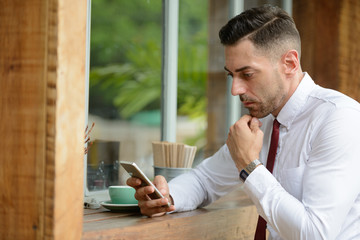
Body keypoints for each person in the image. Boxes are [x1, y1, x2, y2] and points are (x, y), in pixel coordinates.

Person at [127, 5, 360, 240]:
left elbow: (317, 234)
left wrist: (249, 165)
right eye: (232, 75)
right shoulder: (262, 122)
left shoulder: (340, 119)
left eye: (247, 74)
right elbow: (205, 180)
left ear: (289, 63)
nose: (235, 89)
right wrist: (166, 197)